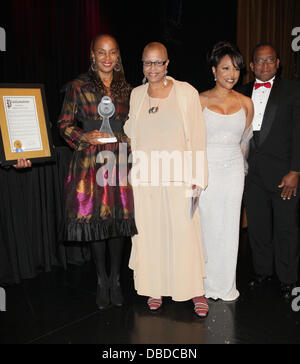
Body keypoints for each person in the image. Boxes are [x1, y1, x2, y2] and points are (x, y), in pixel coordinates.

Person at [125, 42, 209, 318]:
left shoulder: (186, 92)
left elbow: (197, 137)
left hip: (179, 177)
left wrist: (197, 178)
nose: (153, 69)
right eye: (148, 63)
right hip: (146, 179)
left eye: (158, 63)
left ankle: (195, 289)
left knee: (185, 234)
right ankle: (154, 287)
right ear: (142, 64)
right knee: (150, 235)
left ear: (168, 63)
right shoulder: (136, 95)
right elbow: (131, 134)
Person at [58, 34, 137, 310]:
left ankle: (116, 280)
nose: (107, 58)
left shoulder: (129, 89)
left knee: (118, 222)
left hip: (119, 159)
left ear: (118, 56)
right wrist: (83, 136)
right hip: (90, 160)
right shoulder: (77, 86)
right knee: (96, 223)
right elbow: (63, 124)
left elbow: (136, 126)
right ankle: (101, 280)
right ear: (92, 55)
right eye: (101, 53)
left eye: (112, 53)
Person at [237, 43, 300, 300]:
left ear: (277, 63)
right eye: (259, 62)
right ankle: (262, 271)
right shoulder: (241, 92)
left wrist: (296, 170)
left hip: (285, 174)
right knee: (258, 227)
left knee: (286, 228)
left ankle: (288, 278)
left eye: (269, 60)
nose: (264, 65)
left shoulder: (293, 90)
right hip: (251, 174)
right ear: (251, 66)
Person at [199, 41, 254, 302]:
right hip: (206, 170)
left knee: (230, 227)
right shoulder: (199, 100)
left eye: (235, 69)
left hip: (233, 171)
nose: (231, 74)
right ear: (213, 70)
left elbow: (245, 142)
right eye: (225, 68)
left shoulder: (246, 103)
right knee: (207, 227)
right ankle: (205, 283)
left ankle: (226, 285)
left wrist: (241, 172)